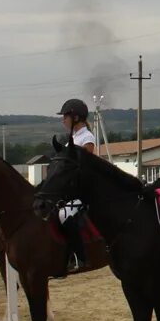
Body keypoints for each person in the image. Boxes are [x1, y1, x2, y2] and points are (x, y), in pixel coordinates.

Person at [57, 98, 97, 272]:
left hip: (82, 189)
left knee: (64, 215)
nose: (62, 120)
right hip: (69, 189)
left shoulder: (87, 137)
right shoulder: (71, 139)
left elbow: (85, 166)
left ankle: (80, 257)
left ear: (76, 117)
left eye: (65, 116)